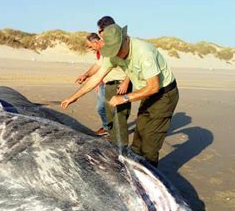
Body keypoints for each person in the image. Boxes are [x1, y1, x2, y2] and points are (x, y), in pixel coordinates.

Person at [62, 23, 179, 167]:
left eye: (117, 50)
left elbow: (154, 87)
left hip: (164, 95)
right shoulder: (113, 54)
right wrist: (73, 97)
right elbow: (96, 78)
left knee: (150, 143)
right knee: (139, 137)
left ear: (125, 40)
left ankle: (151, 176)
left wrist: (123, 98)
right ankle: (136, 169)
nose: (116, 55)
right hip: (147, 94)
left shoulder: (144, 52)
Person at [76, 33, 132, 146]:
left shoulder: (115, 48)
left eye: (90, 46)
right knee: (105, 110)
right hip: (106, 83)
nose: (89, 49)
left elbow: (130, 65)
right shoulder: (103, 52)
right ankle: (110, 133)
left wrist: (126, 82)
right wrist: (86, 75)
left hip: (120, 84)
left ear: (95, 42)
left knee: (119, 115)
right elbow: (98, 66)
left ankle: (122, 146)